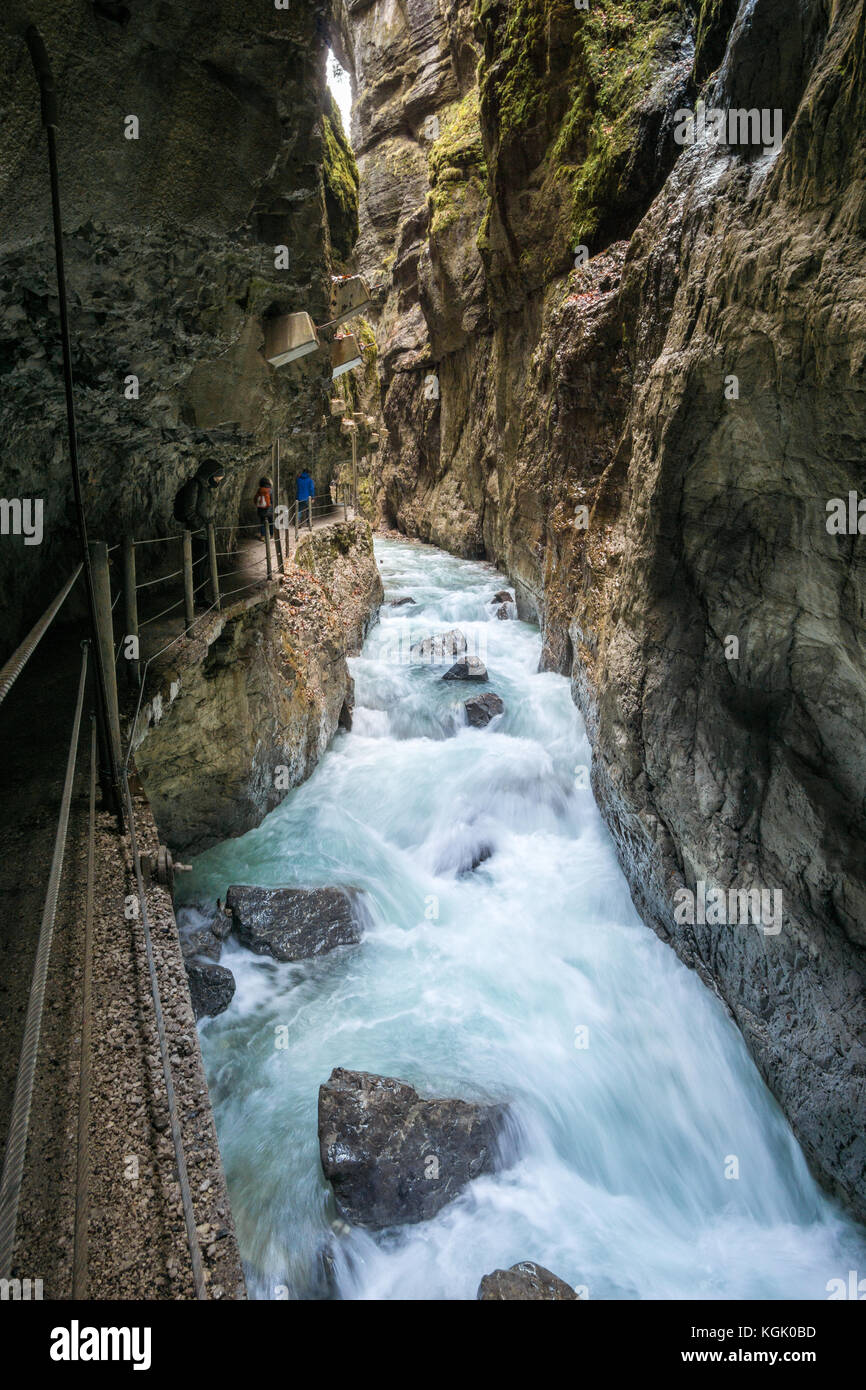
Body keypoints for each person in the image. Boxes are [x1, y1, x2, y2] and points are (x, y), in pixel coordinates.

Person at [255, 476, 274, 540]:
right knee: (271, 522)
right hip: (269, 510)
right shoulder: (270, 490)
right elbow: (272, 500)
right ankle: (272, 535)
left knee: (262, 523)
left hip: (261, 510)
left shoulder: (259, 490)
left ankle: (263, 536)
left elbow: (255, 499)